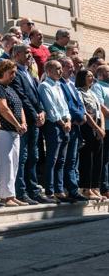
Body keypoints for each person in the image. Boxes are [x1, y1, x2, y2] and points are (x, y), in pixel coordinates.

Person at [10, 44, 46, 204]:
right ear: (16, 55)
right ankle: (21, 191)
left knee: (34, 156)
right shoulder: (15, 73)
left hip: (35, 121)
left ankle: (33, 190)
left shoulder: (29, 73)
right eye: (26, 52)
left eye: (30, 52)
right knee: (23, 157)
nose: (30, 55)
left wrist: (42, 111)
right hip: (25, 120)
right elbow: (22, 97)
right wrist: (35, 114)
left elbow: (37, 96)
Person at [0, 60, 27, 206]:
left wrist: (23, 123)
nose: (13, 75)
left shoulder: (11, 88)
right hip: (4, 131)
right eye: (11, 72)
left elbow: (20, 107)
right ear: (2, 71)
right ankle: (5, 196)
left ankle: (11, 195)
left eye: (15, 72)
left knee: (14, 164)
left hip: (15, 132)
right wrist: (17, 124)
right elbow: (3, 108)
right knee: (5, 164)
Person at [38, 60, 72, 203]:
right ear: (49, 71)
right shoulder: (45, 86)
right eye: (57, 69)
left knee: (62, 160)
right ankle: (50, 190)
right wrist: (62, 122)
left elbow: (64, 106)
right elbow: (51, 108)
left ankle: (59, 189)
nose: (60, 71)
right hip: (54, 125)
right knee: (52, 159)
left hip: (65, 125)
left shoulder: (58, 85)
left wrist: (68, 120)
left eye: (60, 69)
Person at [59, 57, 88, 202]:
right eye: (68, 66)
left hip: (77, 126)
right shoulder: (60, 84)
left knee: (73, 159)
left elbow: (79, 103)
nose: (71, 69)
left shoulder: (72, 84)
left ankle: (74, 188)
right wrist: (79, 116)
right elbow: (68, 104)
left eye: (72, 66)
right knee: (67, 159)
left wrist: (82, 114)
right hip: (68, 125)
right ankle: (70, 189)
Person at [76, 69, 105, 200]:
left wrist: (102, 128)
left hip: (98, 126)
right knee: (88, 158)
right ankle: (86, 187)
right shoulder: (79, 92)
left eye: (92, 76)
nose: (92, 78)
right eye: (89, 76)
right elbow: (85, 113)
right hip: (88, 127)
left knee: (98, 158)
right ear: (82, 78)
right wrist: (96, 128)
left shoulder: (92, 93)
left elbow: (100, 110)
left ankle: (95, 187)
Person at [91, 65, 109, 198]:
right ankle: (104, 187)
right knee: (105, 159)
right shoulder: (98, 86)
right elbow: (100, 106)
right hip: (106, 128)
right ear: (101, 74)